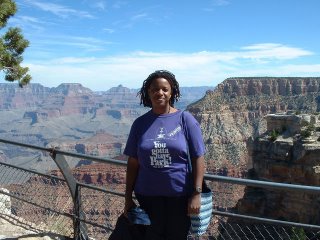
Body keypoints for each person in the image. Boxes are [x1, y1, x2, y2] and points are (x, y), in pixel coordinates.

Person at [123, 70, 206, 240]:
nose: (159, 93)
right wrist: (127, 197)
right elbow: (133, 162)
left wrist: (196, 194)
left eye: (164, 89)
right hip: (147, 197)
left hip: (180, 198)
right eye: (154, 89)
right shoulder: (140, 124)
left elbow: (199, 157)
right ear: (148, 92)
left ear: (172, 92)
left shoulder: (186, 120)